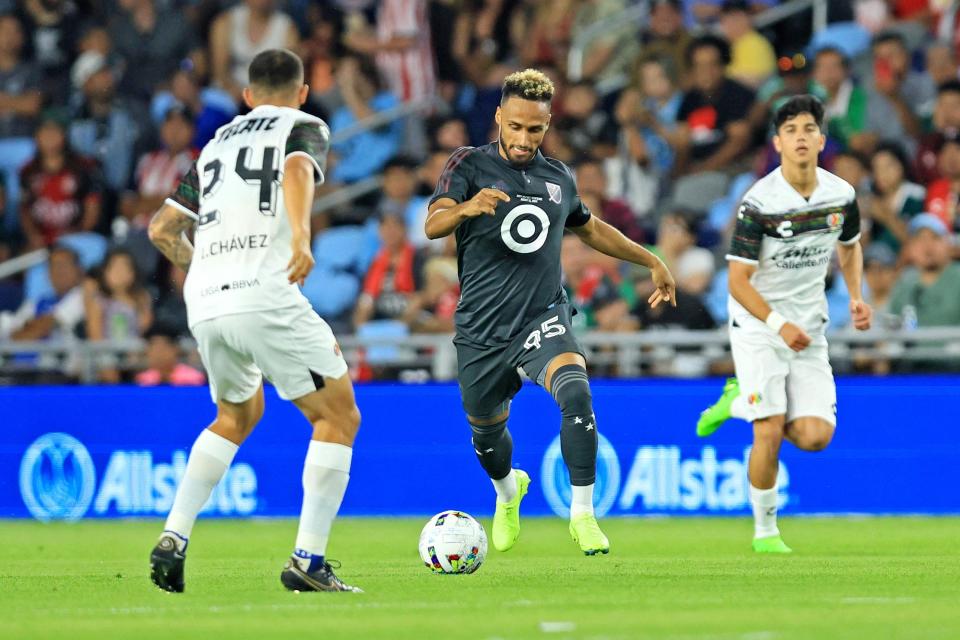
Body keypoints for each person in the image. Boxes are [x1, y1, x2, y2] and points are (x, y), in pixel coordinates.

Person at [424, 69, 676, 556]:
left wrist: (651, 259)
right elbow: (433, 224)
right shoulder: (469, 165)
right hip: (481, 329)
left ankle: (583, 514)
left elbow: (591, 227)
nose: (523, 139)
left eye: (534, 129)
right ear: (499, 117)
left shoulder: (558, 177)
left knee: (576, 393)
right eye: (515, 126)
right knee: (488, 437)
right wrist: (466, 208)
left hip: (543, 317)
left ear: (548, 124)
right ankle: (506, 491)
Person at [147, 49, 362, 593]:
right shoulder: (304, 124)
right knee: (338, 416)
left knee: (236, 415)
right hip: (265, 291)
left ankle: (174, 535)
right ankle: (309, 562)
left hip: (206, 297)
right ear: (303, 91)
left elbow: (162, 229)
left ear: (247, 96)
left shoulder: (217, 142)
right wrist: (303, 234)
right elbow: (294, 168)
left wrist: (210, 272)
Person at [695, 95, 873, 553]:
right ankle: (766, 531)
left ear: (821, 139)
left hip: (808, 327)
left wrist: (856, 296)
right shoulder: (759, 203)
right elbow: (737, 281)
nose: (800, 137)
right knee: (769, 428)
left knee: (815, 438)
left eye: (808, 129)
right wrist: (777, 324)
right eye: (791, 130)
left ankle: (740, 403)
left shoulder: (842, 195)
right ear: (777, 142)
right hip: (758, 324)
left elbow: (849, 245)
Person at [135, 323, 206, 387]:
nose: (158, 355)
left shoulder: (193, 379)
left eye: (162, 349)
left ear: (175, 349)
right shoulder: (143, 380)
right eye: (153, 348)